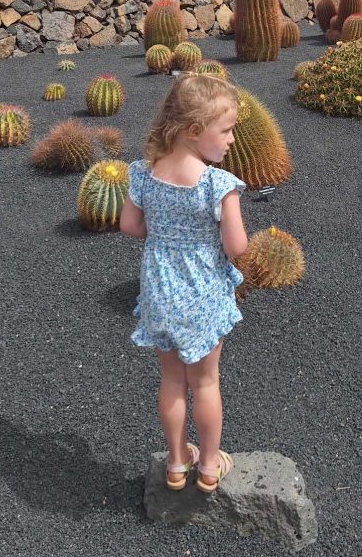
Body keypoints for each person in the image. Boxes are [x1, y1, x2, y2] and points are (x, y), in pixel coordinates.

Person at [120, 71, 248, 493]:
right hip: (202, 294)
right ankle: (209, 466)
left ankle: (177, 462)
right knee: (206, 381)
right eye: (226, 130)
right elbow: (237, 246)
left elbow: (130, 227)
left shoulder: (143, 173)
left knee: (172, 380)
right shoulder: (217, 185)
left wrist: (163, 237)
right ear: (195, 131)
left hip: (159, 291)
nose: (231, 140)